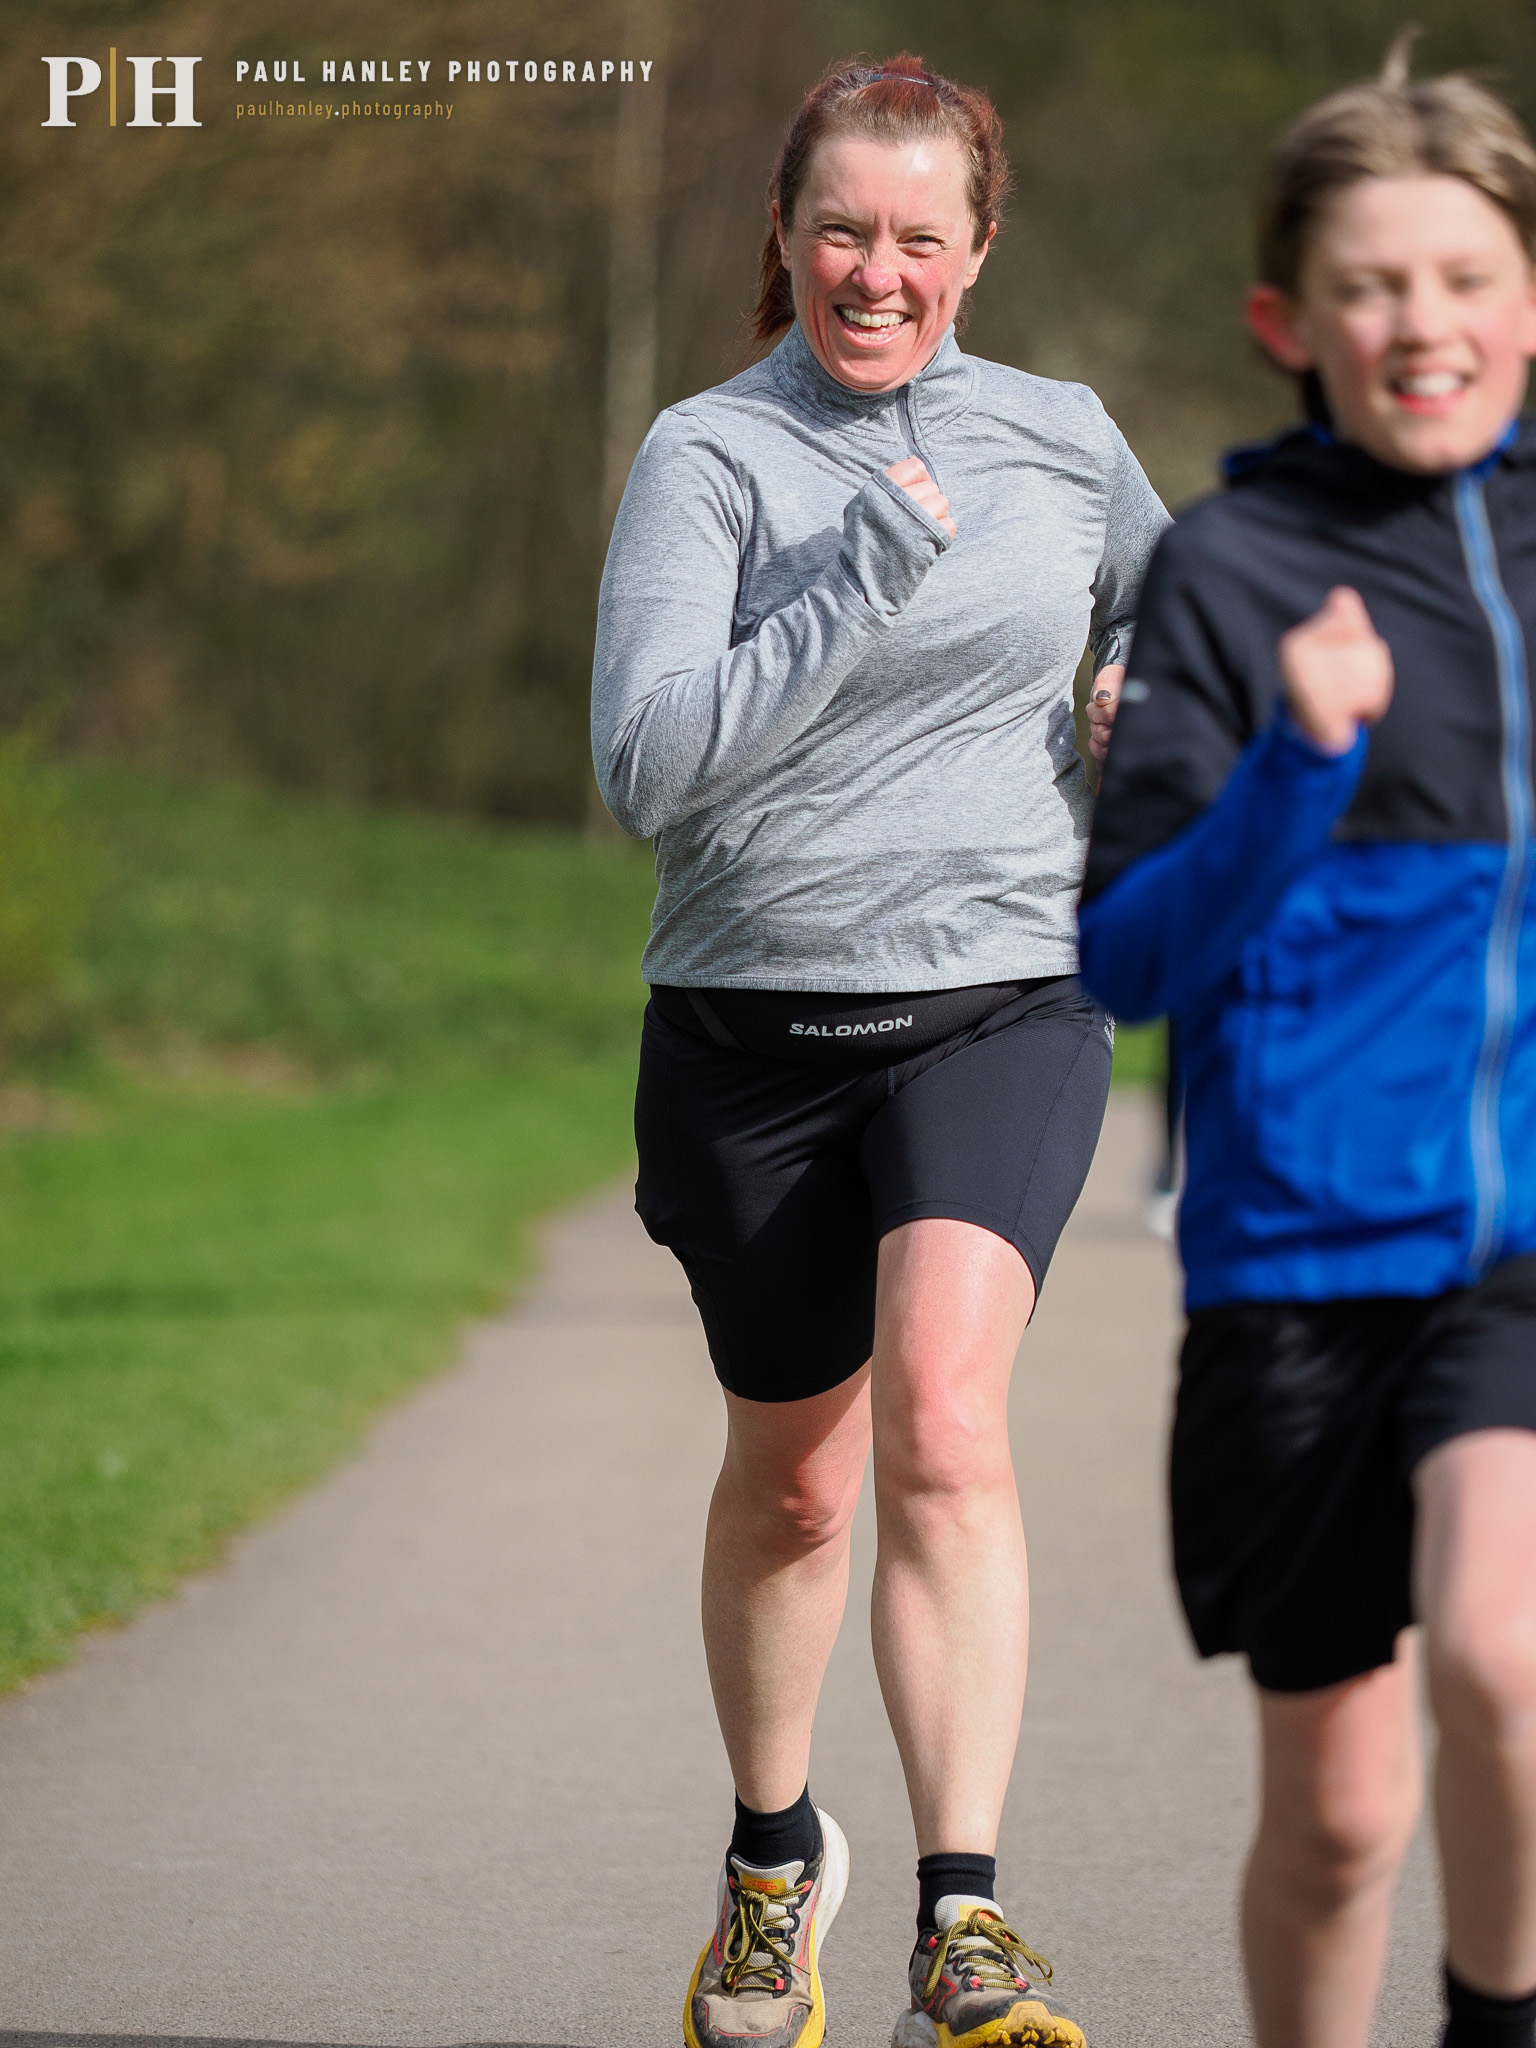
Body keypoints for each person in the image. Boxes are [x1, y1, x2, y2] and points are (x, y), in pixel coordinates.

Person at [592, 51, 1166, 2048]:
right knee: (803, 1484)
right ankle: (773, 1863)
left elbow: (1191, 634)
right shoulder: (709, 458)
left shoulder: (1065, 437)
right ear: (784, 232)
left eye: (922, 235)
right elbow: (646, 766)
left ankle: (964, 1918)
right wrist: (854, 576)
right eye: (842, 226)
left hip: (1003, 996)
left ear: (978, 251)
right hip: (752, 1025)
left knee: (941, 1420)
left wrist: (1141, 701)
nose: (877, 268)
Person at [1079, 39, 1536, 2048]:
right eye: (1371, 285)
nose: (1421, 324)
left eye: (1462, 276)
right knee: (1344, 1816)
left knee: (1510, 1668)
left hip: (1516, 1254)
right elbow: (1126, 958)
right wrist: (1295, 763)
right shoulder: (1230, 573)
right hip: (1297, 1253)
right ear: (1290, 320)